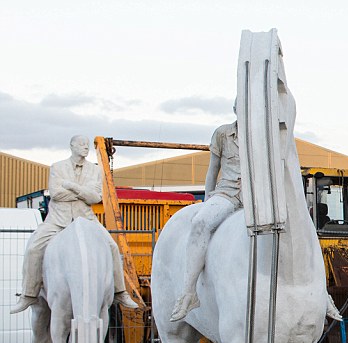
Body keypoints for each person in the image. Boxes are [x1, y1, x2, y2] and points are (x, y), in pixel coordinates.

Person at [12, 135, 138, 314]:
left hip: (86, 221)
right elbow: (55, 194)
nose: (85, 147)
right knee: (34, 248)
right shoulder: (57, 167)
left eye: (87, 145)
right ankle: (29, 294)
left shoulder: (95, 171)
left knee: (112, 247)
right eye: (81, 144)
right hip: (58, 221)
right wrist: (83, 194)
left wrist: (71, 186)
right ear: (71, 146)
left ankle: (120, 291)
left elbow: (95, 198)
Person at [169, 119, 242, 321]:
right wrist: (208, 198)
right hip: (227, 194)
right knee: (200, 223)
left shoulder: (263, 132)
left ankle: (320, 294)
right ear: (237, 110)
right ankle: (189, 291)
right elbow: (213, 169)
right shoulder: (223, 134)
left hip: (256, 197)